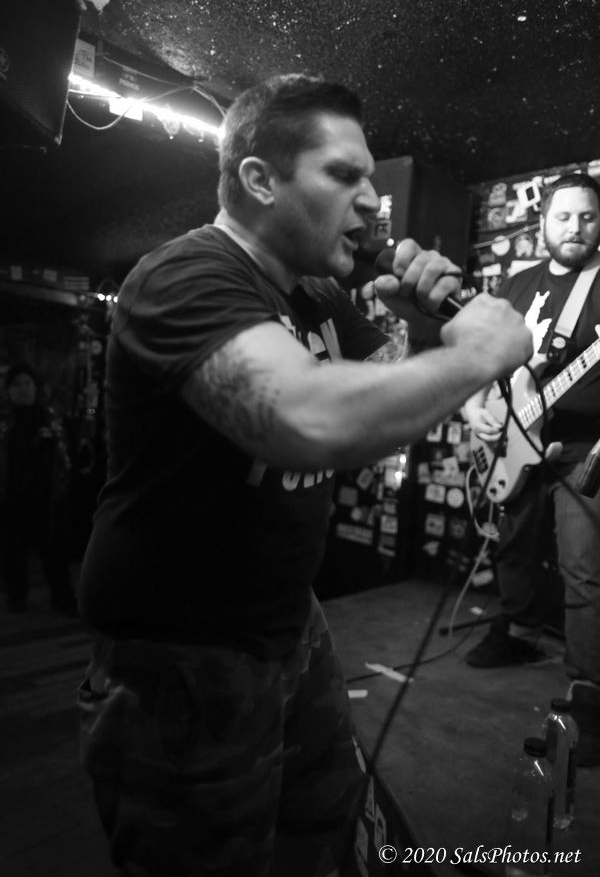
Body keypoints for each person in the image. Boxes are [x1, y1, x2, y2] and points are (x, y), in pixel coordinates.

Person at [77, 73, 532, 877]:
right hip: (183, 650)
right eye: (344, 175)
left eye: (370, 178)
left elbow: (380, 391)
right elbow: (309, 420)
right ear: (260, 180)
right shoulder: (186, 276)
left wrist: (429, 330)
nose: (372, 201)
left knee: (329, 827)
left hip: (289, 618)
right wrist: (475, 356)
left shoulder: (313, 294)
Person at [463, 172, 600, 767]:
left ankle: (588, 694)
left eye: (588, 217)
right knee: (512, 542)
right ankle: (518, 631)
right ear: (543, 222)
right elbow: (481, 360)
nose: (576, 228)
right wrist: (474, 409)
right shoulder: (518, 284)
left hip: (584, 447)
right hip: (515, 436)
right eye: (564, 217)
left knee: (583, 568)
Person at [0, 363, 77, 616]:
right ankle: (17, 596)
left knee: (54, 551)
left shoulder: (51, 415)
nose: (23, 389)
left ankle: (63, 597)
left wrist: (90, 409)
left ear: (36, 386)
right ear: (8, 390)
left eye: (27, 383)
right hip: (12, 497)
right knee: (13, 551)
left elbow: (84, 414)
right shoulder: (4, 421)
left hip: (46, 496)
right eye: (16, 384)